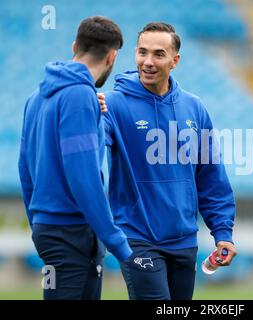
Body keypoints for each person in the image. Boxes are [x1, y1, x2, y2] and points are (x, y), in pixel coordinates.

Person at [101, 22, 237, 300]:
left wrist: (222, 231)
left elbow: (210, 176)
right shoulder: (112, 105)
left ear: (175, 60)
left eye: (158, 54)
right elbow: (87, 149)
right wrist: (85, 111)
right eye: (142, 52)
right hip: (137, 237)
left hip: (185, 239)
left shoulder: (194, 107)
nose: (148, 62)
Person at [18, 16, 133, 300]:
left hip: (51, 231)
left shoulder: (36, 97)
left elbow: (24, 169)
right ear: (112, 56)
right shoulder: (80, 96)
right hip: (71, 233)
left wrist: (39, 224)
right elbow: (83, 177)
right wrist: (118, 242)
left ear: (74, 46)